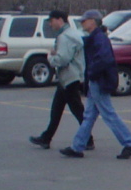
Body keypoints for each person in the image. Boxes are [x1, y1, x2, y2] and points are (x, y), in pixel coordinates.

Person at [60, 10, 131, 159]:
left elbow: (103, 60)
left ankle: (129, 143)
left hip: (99, 81)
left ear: (93, 21)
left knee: (108, 113)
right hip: (96, 80)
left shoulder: (99, 39)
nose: (82, 23)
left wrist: (91, 74)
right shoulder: (95, 37)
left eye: (85, 20)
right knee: (89, 115)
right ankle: (77, 147)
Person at [29, 10, 93, 150]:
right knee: (58, 110)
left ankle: (87, 139)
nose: (50, 24)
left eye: (51, 21)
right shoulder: (71, 34)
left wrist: (50, 58)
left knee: (76, 110)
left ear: (60, 19)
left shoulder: (65, 37)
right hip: (70, 77)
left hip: (69, 77)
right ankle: (46, 138)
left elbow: (62, 59)